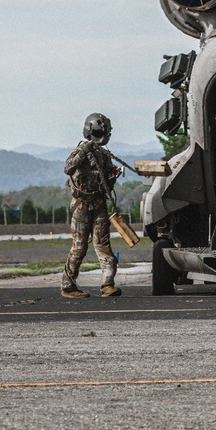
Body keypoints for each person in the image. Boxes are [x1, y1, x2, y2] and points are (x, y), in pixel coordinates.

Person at [62, 112, 122, 299]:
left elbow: (107, 182)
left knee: (103, 246)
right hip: (82, 206)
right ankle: (68, 286)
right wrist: (83, 152)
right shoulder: (81, 151)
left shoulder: (104, 155)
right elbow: (68, 168)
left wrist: (113, 174)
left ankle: (107, 285)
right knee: (79, 247)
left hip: (98, 205)